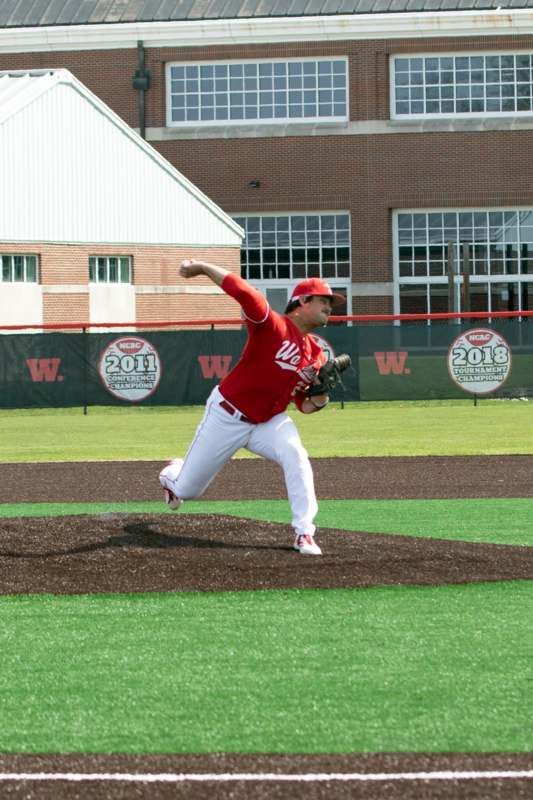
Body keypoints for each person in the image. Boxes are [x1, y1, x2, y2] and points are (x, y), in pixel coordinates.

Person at [159, 259, 344, 555]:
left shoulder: (316, 354)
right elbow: (244, 292)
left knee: (296, 456)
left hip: (269, 422)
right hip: (228, 414)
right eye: (324, 300)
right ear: (301, 302)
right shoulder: (272, 325)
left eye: (331, 302)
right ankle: (171, 474)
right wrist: (204, 267)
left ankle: (304, 533)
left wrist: (322, 393)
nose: (330, 306)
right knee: (188, 490)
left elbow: (307, 406)